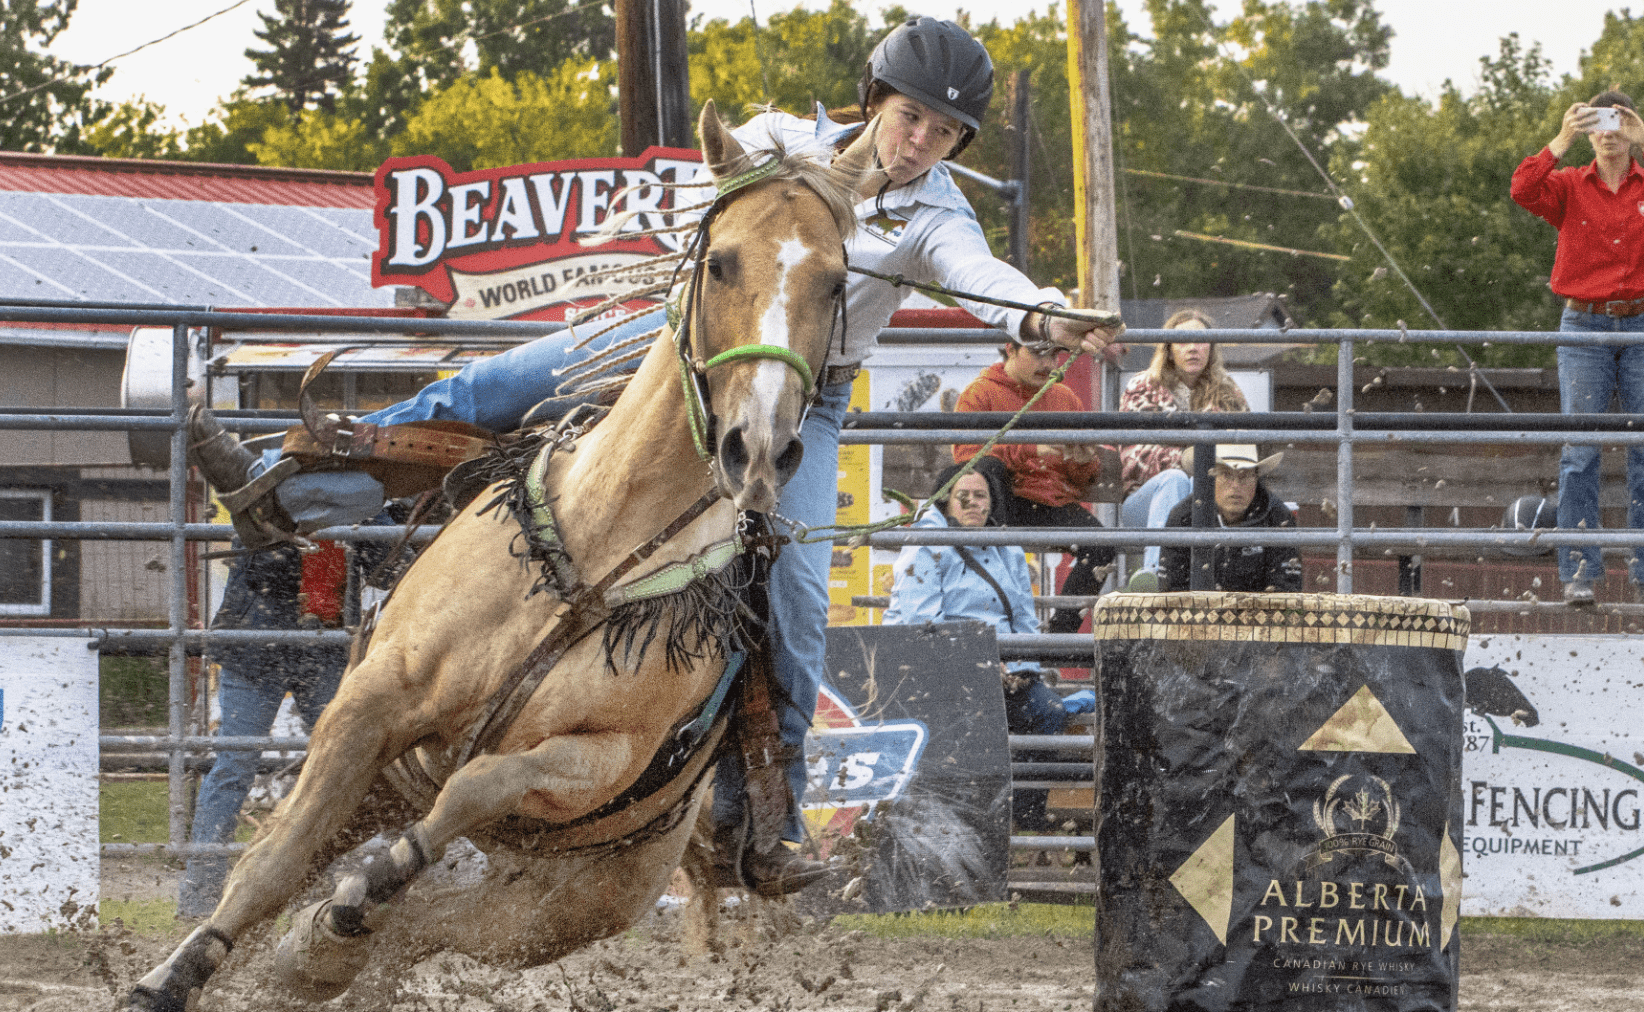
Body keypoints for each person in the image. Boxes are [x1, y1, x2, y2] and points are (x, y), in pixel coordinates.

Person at [186, 16, 1123, 897]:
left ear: (956, 147)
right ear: (876, 98)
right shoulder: (777, 140)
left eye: (943, 131)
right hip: (689, 337)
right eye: (911, 114)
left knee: (796, 582)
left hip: (805, 387)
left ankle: (770, 809)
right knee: (495, 387)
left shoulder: (936, 218)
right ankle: (300, 478)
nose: (918, 140)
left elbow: (979, 278)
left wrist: (1043, 313)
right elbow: (693, 199)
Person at [1510, 89, 1644, 607]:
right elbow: (1523, 189)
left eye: (1619, 121)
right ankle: (1579, 573)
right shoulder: (1570, 183)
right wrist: (1560, 139)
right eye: (1598, 121)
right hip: (1584, 325)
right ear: (1587, 129)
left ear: (1632, 126)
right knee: (1579, 453)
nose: (1610, 130)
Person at [177, 529, 397, 918]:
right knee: (234, 768)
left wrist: (378, 529)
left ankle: (331, 894)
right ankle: (198, 902)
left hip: (321, 648)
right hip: (259, 646)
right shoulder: (273, 489)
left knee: (346, 764)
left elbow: (388, 564)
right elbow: (262, 568)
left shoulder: (358, 495)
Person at [881, 466, 1085, 830]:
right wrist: (981, 664)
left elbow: (1023, 620)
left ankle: (1023, 817)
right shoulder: (926, 545)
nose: (974, 503)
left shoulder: (1007, 548)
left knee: (1049, 709)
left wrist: (1024, 669)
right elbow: (922, 622)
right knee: (974, 717)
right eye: (965, 495)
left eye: (982, 496)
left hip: (1003, 671)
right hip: (942, 670)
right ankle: (973, 823)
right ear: (946, 502)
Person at [951, 340, 1114, 633]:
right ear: (1010, 349)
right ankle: (999, 626)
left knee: (1102, 546)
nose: (1049, 364)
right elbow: (968, 460)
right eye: (1039, 353)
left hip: (1048, 503)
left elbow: (1079, 479)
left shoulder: (1064, 398)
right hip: (1000, 504)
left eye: (1054, 354)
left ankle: (1058, 636)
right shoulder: (980, 394)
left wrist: (1082, 460)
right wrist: (1029, 449)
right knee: (989, 471)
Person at [1117, 309, 1249, 583]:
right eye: (1183, 341)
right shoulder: (1143, 386)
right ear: (1168, 349)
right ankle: (1157, 578)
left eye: (1201, 341)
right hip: (1145, 501)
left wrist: (1195, 457)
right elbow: (1135, 459)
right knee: (1176, 480)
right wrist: (1192, 459)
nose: (1193, 348)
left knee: (1198, 489)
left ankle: (1207, 581)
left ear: (1211, 349)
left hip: (1208, 500)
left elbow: (1244, 449)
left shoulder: (1228, 393)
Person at [1156, 444, 1301, 593]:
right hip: (1197, 614)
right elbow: (1171, 591)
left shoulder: (1277, 517)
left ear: (1256, 480)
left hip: (1259, 614)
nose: (1236, 486)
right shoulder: (1183, 517)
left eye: (1244, 476)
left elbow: (1286, 590)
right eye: (1226, 475)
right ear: (1210, 478)